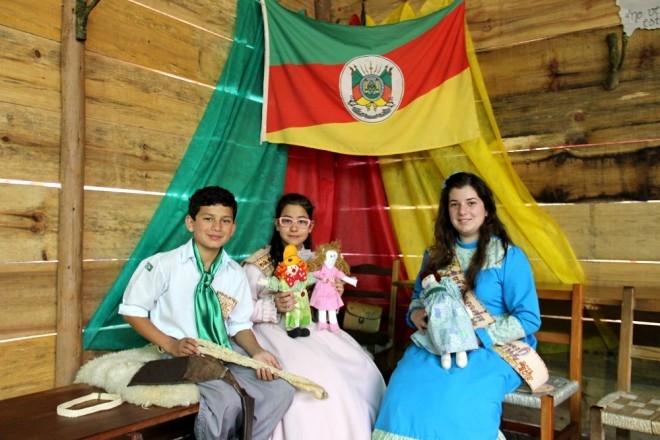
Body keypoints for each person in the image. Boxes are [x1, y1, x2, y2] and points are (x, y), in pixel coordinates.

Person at [372, 172, 542, 440]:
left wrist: (476, 335)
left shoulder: (509, 256)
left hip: (492, 347)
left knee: (457, 397)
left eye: (471, 202)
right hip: (437, 342)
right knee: (403, 387)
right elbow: (419, 297)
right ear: (446, 210)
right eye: (454, 204)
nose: (463, 211)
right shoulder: (436, 255)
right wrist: (416, 314)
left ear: (486, 209)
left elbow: (529, 318)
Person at [119, 186, 295, 440]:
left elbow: (238, 325)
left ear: (233, 228)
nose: (216, 227)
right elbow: (132, 310)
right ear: (191, 223)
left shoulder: (234, 273)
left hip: (222, 352)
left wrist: (257, 352)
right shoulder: (163, 264)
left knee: (280, 390)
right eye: (208, 218)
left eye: (225, 221)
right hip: (182, 355)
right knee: (227, 401)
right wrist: (170, 344)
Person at [243, 193, 386, 440]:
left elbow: (324, 307)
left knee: (362, 368)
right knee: (318, 378)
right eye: (287, 220)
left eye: (302, 221)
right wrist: (274, 304)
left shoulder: (316, 261)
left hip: (311, 326)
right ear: (277, 223)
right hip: (272, 332)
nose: (294, 227)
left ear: (311, 226)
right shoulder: (257, 264)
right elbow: (240, 312)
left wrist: (334, 293)